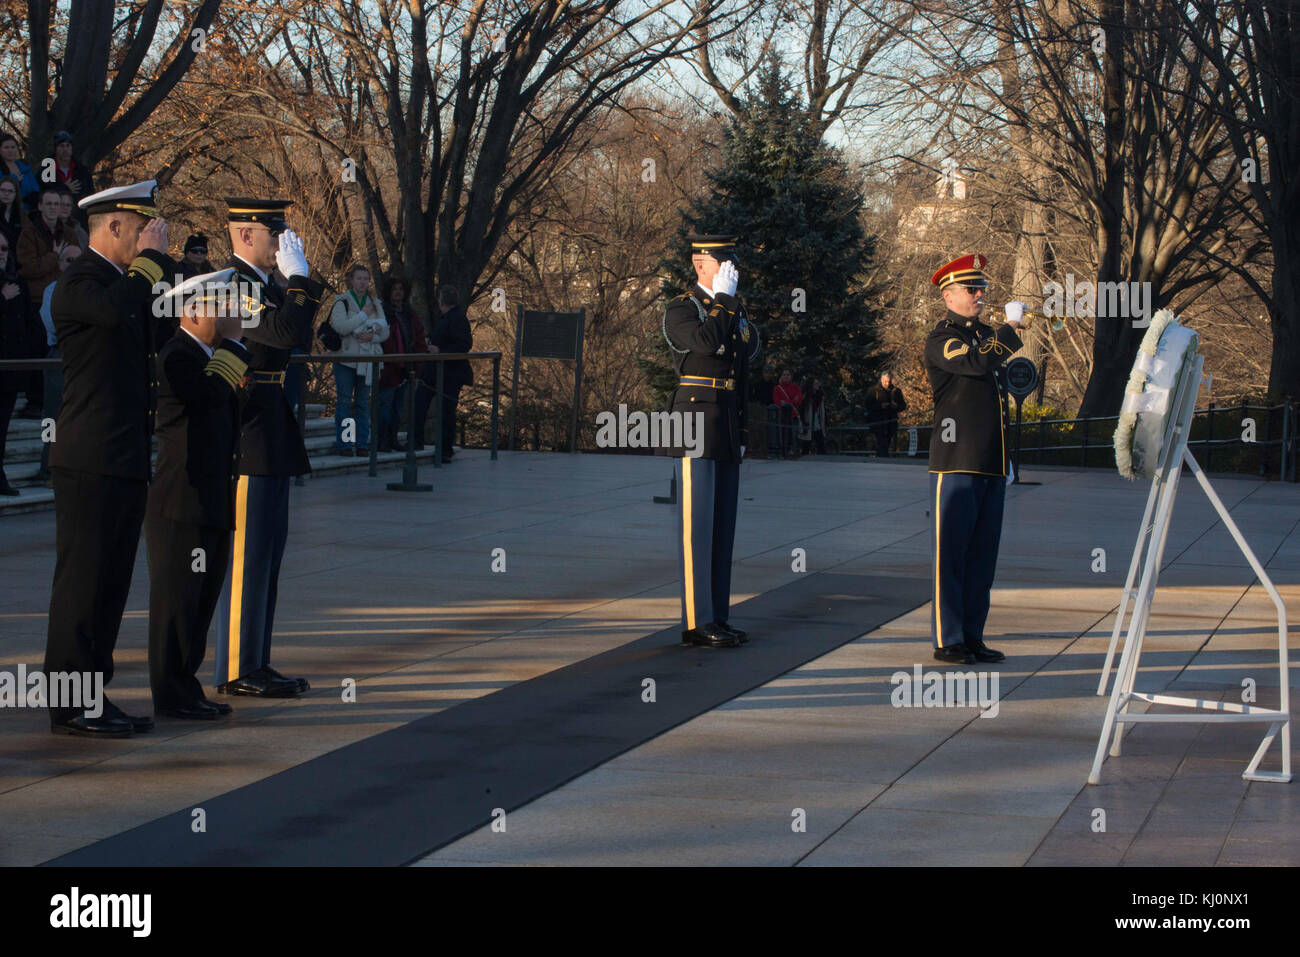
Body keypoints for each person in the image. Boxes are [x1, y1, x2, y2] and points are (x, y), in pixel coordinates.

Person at [43, 180, 173, 737]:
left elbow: (156, 330)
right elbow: (112, 310)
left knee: (113, 583)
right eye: (141, 227)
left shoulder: (124, 283)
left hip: (122, 456)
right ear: (114, 226)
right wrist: (151, 264)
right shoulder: (80, 281)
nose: (148, 236)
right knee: (83, 584)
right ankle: (71, 703)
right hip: (89, 456)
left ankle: (94, 693)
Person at [213, 197, 324, 698]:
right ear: (244, 235)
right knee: (247, 557)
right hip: (247, 429)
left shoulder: (263, 285)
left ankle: (255, 660)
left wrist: (297, 282)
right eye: (272, 233)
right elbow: (282, 331)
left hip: (269, 422)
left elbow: (301, 336)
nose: (281, 243)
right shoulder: (234, 286)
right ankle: (237, 666)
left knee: (269, 554)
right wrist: (296, 282)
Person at [147, 269, 252, 720]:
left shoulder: (208, 357)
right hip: (182, 501)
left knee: (202, 596)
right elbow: (206, 397)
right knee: (178, 600)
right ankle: (171, 693)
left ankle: (186, 684)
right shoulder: (177, 356)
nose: (229, 313)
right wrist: (234, 347)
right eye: (219, 305)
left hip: (210, 498)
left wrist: (232, 351)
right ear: (191, 311)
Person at [924, 253, 1030, 665]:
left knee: (982, 558)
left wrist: (1005, 462)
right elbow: (975, 362)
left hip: (988, 462)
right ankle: (947, 637)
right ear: (949, 296)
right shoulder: (942, 338)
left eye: (980, 288)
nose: (980, 294)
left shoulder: (983, 335)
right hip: (956, 461)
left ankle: (972, 634)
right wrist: (1010, 329)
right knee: (951, 555)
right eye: (972, 289)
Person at [661, 234, 760, 648]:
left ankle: (718, 615)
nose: (732, 269)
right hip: (695, 418)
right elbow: (704, 343)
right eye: (724, 262)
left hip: (725, 419)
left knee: (722, 529)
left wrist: (744, 431)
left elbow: (747, 358)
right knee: (697, 528)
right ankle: (696, 622)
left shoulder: (731, 307)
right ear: (702, 264)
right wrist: (723, 302)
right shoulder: (682, 308)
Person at [328, 264, 388, 456]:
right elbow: (341, 327)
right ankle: (346, 443)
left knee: (363, 402)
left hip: (367, 359)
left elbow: (385, 331)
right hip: (346, 359)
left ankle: (362, 443)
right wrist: (363, 315)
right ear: (351, 280)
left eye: (365, 279)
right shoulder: (342, 301)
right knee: (345, 402)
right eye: (359, 278)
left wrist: (373, 337)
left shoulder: (375, 303)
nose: (363, 282)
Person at [35, 243, 81, 481]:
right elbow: (53, 325)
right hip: (59, 354)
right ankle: (47, 464)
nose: (72, 265)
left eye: (77, 260)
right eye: (67, 261)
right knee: (52, 416)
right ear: (60, 264)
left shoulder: (91, 290)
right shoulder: (52, 290)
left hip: (85, 357)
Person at [420, 285, 472, 461]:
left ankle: (443, 449)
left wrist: (439, 350)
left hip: (448, 373)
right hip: (438, 372)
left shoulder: (455, 319)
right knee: (430, 407)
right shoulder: (451, 318)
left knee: (445, 411)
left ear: (441, 302)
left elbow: (463, 345)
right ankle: (434, 445)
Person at [377, 274, 429, 452]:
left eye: (400, 289)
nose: (398, 293)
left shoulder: (409, 313)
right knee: (385, 406)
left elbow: (419, 337)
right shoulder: (382, 311)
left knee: (398, 408)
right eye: (394, 290)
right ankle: (381, 440)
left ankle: (392, 438)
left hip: (406, 367)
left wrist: (417, 361)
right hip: (388, 366)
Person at [0, 231, 30, 495]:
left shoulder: (15, 281)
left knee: (3, 426)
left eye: (4, 248)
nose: (2, 252)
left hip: (9, 367)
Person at [45, 131, 94, 221]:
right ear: (55, 149)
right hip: (52, 220)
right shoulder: (47, 170)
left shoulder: (82, 171)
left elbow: (90, 196)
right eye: (61, 146)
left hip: (78, 220)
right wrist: (64, 188)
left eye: (68, 146)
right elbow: (43, 194)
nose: (65, 149)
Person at [867, 371, 907, 457]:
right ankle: (882, 459)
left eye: (889, 381)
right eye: (885, 381)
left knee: (887, 441)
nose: (887, 383)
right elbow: (867, 405)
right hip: (878, 421)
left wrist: (896, 406)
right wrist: (880, 406)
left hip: (891, 421)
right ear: (881, 380)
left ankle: (882, 459)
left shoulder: (896, 391)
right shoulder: (873, 391)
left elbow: (903, 405)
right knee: (881, 442)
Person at [0, 133, 39, 206]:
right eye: (6, 147)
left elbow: (36, 189)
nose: (10, 150)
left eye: (13, 147)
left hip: (28, 212)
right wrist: (14, 180)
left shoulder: (26, 169)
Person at [772, 370, 802, 458]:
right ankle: (784, 453)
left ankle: (794, 453)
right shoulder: (777, 388)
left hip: (794, 416)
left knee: (794, 436)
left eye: (788, 374)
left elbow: (799, 400)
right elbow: (777, 402)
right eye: (784, 374)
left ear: (791, 376)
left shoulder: (796, 387)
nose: (786, 376)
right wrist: (792, 402)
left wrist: (786, 402)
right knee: (783, 435)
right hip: (782, 416)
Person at [802, 377, 827, 455]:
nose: (818, 385)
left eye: (818, 383)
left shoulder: (820, 395)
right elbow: (802, 409)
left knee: (820, 442)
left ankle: (822, 457)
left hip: (817, 422)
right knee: (807, 443)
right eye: (815, 383)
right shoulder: (806, 395)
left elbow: (821, 410)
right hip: (808, 421)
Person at [0, 175, 24, 249]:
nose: (6, 194)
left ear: (15, 194)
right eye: (3, 190)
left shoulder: (22, 216)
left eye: (10, 191)